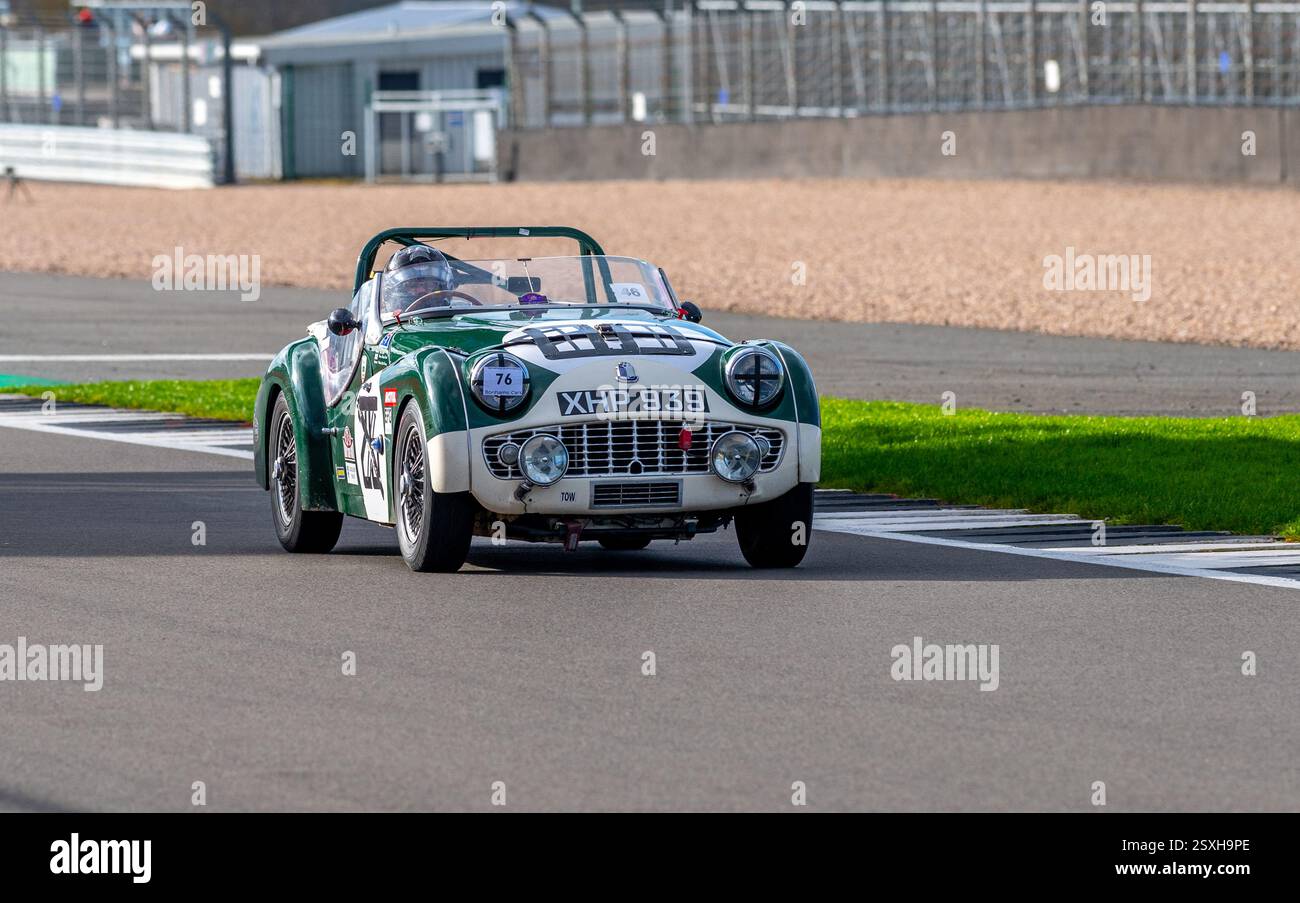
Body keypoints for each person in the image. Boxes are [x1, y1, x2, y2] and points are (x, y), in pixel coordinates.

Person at [382, 244, 455, 315]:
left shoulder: (458, 310)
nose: (421, 290)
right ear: (391, 292)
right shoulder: (381, 320)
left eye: (429, 284)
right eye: (412, 285)